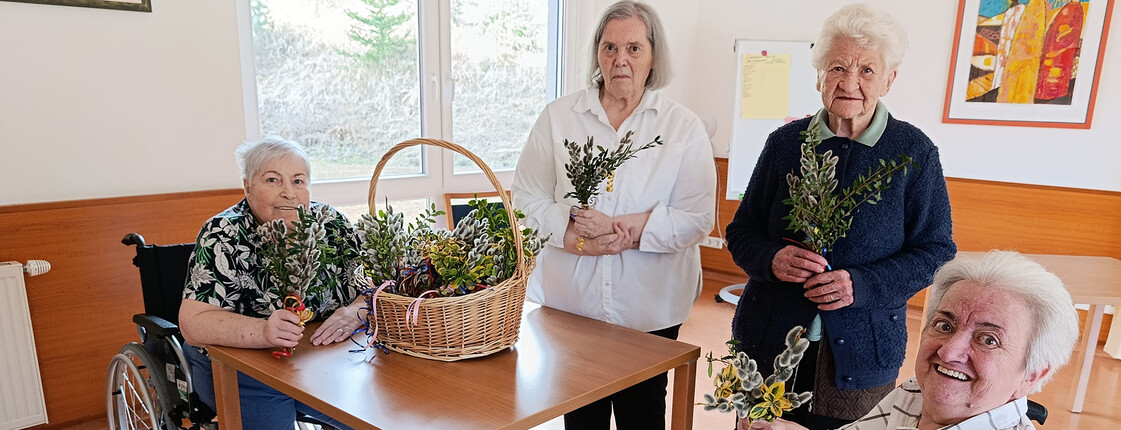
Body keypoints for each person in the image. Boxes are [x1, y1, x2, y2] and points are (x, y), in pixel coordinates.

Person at [726, 3, 956, 429]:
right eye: (837, 68)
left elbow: (936, 251)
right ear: (818, 76)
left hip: (862, 351)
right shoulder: (784, 145)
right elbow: (741, 232)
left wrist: (862, 284)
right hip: (767, 338)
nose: (850, 83)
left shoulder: (913, 152)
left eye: (867, 70)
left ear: (889, 79)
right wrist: (772, 259)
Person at [511, 1, 716, 428]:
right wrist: (572, 236)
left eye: (634, 48)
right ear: (597, 54)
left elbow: (695, 217)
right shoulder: (558, 118)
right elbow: (525, 201)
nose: (620, 59)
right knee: (581, 416)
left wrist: (628, 232)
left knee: (642, 414)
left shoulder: (683, 126)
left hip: (650, 309)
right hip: (571, 306)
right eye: (609, 48)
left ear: (653, 56)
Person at [742, 250, 1080, 430]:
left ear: (1032, 374)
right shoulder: (914, 392)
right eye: (945, 325)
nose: (949, 351)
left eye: (988, 340)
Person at [179, 137, 364, 429]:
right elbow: (193, 323)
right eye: (273, 180)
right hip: (242, 371)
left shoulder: (331, 224)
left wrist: (354, 311)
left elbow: (375, 286)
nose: (289, 193)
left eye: (299, 181)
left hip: (322, 363)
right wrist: (263, 331)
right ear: (247, 186)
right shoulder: (224, 232)